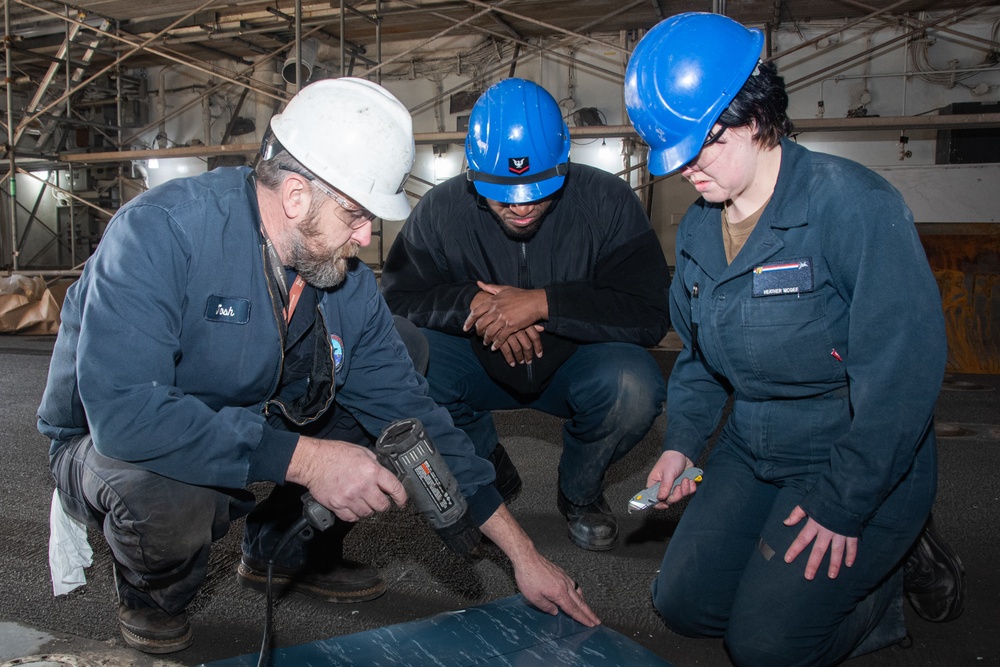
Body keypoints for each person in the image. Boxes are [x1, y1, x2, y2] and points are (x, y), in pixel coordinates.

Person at [37, 77, 599, 656]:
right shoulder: (159, 233)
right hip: (114, 442)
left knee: (404, 350)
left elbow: (411, 412)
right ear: (297, 196)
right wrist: (308, 461)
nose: (366, 236)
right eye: (356, 215)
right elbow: (127, 415)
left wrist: (523, 555)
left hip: (243, 407)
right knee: (167, 495)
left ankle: (282, 548)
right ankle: (151, 593)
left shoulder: (337, 276)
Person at [623, 12, 965, 666]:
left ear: (755, 116)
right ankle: (790, 576)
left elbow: (901, 380)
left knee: (765, 647)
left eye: (704, 144)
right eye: (675, 153)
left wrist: (844, 503)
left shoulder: (853, 206)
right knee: (683, 604)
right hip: (754, 444)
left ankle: (888, 584)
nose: (687, 169)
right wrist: (683, 446)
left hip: (855, 451)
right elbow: (696, 359)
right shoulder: (698, 231)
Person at [381, 78, 671, 552]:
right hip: (480, 361)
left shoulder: (609, 201)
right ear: (473, 174)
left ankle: (580, 492)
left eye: (538, 191)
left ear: (563, 163)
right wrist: (475, 307)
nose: (521, 206)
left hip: (575, 363)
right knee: (412, 362)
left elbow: (648, 312)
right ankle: (485, 465)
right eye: (502, 192)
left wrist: (542, 304)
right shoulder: (439, 210)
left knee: (634, 387)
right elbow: (395, 302)